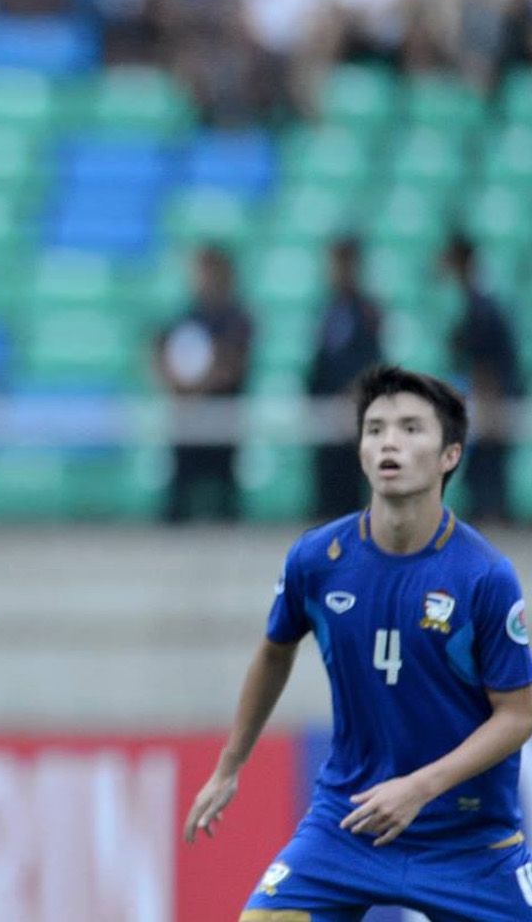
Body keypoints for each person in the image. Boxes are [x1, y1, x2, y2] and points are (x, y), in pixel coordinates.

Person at [184, 365, 532, 919]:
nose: (389, 442)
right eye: (375, 429)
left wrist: (418, 788)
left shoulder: (484, 577)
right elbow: (274, 651)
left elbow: (518, 715)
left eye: (411, 428)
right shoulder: (317, 560)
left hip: (468, 842)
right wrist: (229, 767)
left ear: (450, 455)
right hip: (347, 826)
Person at [155, 245, 253, 523]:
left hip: (223, 415)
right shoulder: (186, 317)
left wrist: (197, 388)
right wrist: (174, 383)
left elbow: (234, 364)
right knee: (180, 493)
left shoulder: (237, 318)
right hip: (188, 418)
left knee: (224, 494)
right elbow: (162, 352)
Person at [445, 234, 522, 524]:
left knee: (488, 470)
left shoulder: (481, 306)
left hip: (491, 399)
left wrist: (488, 400)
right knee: (480, 472)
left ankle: (493, 521)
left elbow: (487, 360)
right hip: (484, 396)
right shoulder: (473, 302)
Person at [308, 237, 385, 520]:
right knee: (327, 501)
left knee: (352, 502)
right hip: (326, 417)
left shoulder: (367, 312)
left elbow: (372, 363)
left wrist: (353, 399)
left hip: (354, 417)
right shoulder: (326, 311)